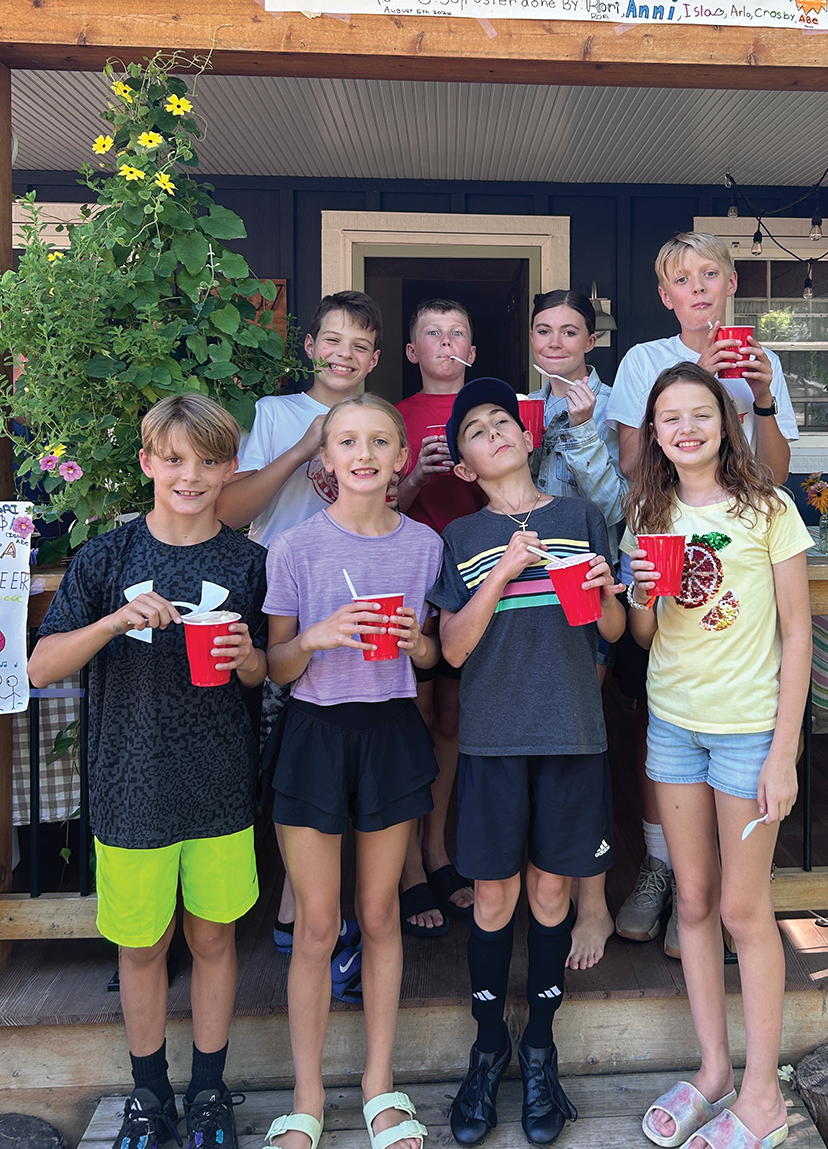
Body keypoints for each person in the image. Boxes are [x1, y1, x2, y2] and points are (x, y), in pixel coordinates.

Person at [28, 394, 269, 1149]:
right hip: (129, 783)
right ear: (147, 463)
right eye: (173, 459)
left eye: (208, 461)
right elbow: (40, 666)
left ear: (229, 470)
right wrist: (111, 621)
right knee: (140, 946)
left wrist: (249, 658)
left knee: (215, 939)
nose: (190, 475)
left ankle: (208, 1092)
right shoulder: (106, 559)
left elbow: (267, 672)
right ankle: (148, 1094)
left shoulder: (248, 562)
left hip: (220, 781)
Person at [430, 379, 625, 1146]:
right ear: (465, 465)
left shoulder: (579, 518)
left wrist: (608, 593)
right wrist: (504, 571)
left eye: (503, 420)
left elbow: (612, 630)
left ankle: (540, 1048)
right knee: (492, 895)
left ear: (527, 436)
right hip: (494, 738)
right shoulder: (462, 537)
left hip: (572, 731)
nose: (494, 432)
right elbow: (451, 649)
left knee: (551, 891)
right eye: (476, 430)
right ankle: (488, 1048)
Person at [624, 363, 812, 1149]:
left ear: (725, 422)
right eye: (670, 417)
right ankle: (713, 1072)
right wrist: (641, 594)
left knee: (743, 909)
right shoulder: (647, 512)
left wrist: (784, 752)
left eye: (700, 413)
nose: (687, 428)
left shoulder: (768, 507)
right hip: (673, 726)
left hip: (747, 730)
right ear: (655, 432)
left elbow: (798, 631)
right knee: (694, 900)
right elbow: (643, 635)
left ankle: (763, 1096)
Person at [605, 232, 799, 951]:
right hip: (661, 545)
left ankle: (727, 891)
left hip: (741, 560)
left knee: (738, 723)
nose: (697, 289)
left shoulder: (763, 361)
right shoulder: (643, 361)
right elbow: (634, 465)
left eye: (708, 275)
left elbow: (773, 477)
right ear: (666, 296)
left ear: (730, 284)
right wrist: (699, 384)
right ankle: (665, 868)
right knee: (653, 718)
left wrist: (760, 398)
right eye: (682, 280)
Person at [262, 393, 442, 1149]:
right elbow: (274, 665)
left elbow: (433, 656)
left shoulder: (425, 546)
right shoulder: (293, 547)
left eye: (378, 441)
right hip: (315, 735)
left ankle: (379, 1085)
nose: (363, 454)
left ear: (401, 456)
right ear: (326, 459)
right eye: (347, 441)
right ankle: (306, 1096)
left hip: (390, 732)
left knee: (379, 915)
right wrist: (317, 636)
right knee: (316, 926)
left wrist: (417, 643)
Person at [218, 289, 382, 957]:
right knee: (279, 750)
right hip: (279, 599)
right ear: (311, 346)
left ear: (375, 359)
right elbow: (232, 510)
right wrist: (305, 446)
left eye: (360, 345)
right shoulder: (275, 412)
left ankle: (313, 910)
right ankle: (290, 908)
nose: (345, 354)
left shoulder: (375, 419)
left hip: (351, 599)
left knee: (336, 754)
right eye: (333, 340)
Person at [529, 289, 625, 972]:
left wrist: (587, 430)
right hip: (523, 594)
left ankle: (592, 900)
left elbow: (618, 506)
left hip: (587, 589)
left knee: (581, 745)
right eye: (544, 330)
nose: (555, 342)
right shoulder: (521, 408)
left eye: (570, 331)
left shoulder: (617, 407)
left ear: (591, 342)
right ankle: (541, 884)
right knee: (534, 742)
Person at [394, 298, 485, 935]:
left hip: (477, 583)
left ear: (472, 352)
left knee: (451, 720)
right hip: (414, 585)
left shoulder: (490, 414)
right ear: (412, 352)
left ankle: (437, 849)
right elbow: (378, 509)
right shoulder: (393, 417)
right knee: (413, 720)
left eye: (457, 333)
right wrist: (417, 478)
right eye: (433, 333)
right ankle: (406, 870)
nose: (446, 343)